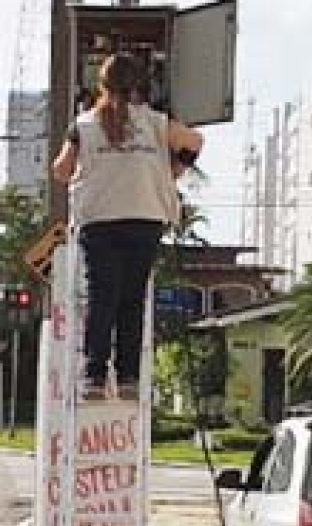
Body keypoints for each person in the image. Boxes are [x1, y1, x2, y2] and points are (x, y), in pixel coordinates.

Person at [51, 54, 204, 401]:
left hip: (99, 219)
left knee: (102, 297)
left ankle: (93, 375)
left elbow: (61, 169)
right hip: (145, 215)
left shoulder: (84, 124)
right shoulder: (155, 122)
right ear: (139, 85)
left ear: (101, 85)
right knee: (132, 299)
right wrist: (172, 168)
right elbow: (194, 141)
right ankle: (128, 378)